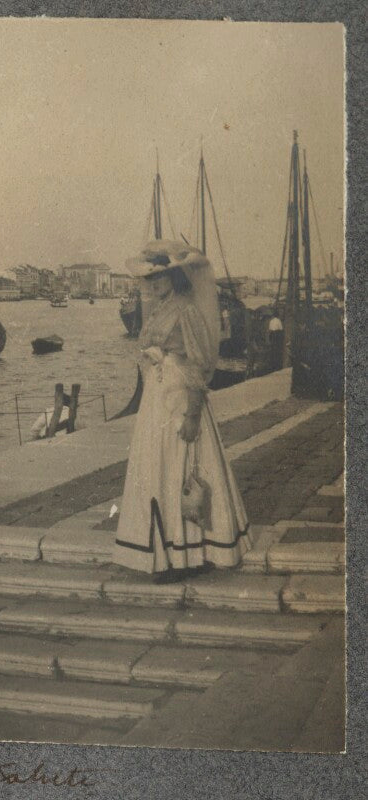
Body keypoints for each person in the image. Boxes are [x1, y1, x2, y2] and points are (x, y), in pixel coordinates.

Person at [113, 240, 251, 583]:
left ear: (175, 277)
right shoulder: (159, 309)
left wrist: (192, 414)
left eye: (161, 276)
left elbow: (197, 363)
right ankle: (167, 552)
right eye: (151, 277)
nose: (154, 283)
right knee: (158, 469)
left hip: (179, 398)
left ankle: (187, 554)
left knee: (182, 468)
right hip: (156, 398)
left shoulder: (187, 309)